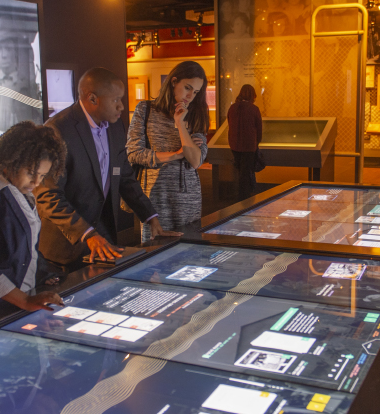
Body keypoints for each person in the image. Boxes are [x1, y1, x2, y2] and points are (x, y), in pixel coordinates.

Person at [36, 67, 180, 266]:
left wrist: (150, 217)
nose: (121, 107)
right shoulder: (58, 130)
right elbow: (47, 196)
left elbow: (125, 177)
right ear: (93, 99)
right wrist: (87, 234)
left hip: (104, 237)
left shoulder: (115, 126)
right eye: (116, 100)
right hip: (66, 247)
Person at [0, 121, 66, 317]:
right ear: (10, 161)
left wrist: (42, 273)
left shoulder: (20, 190)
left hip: (16, 303)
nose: (36, 182)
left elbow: (23, 247)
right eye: (31, 173)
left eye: (42, 175)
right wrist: (24, 300)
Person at [127, 60, 209, 241]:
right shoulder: (145, 109)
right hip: (156, 194)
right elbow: (133, 152)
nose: (190, 95)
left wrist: (180, 124)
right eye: (187, 88)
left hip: (188, 196)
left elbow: (195, 161)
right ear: (174, 82)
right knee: (154, 253)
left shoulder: (196, 115)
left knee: (189, 249)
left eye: (195, 92)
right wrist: (177, 154)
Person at [227, 84, 263, 201]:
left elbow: (229, 124)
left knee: (240, 170)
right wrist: (257, 142)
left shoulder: (232, 108)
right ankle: (244, 197)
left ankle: (240, 196)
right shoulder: (254, 109)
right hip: (249, 145)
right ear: (253, 95)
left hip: (234, 144)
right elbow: (259, 128)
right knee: (246, 172)